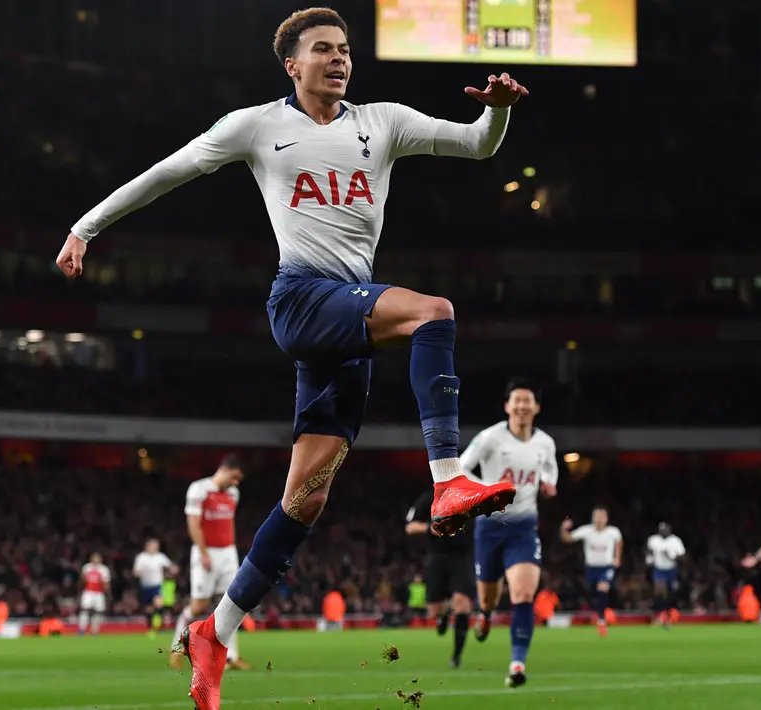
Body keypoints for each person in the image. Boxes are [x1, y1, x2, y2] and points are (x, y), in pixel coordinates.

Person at [54, 8, 526, 709]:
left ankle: (215, 631)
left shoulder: (383, 122)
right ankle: (448, 477)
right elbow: (167, 172)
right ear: (291, 65)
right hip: (303, 300)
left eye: (344, 50)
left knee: (305, 499)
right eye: (322, 50)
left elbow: (478, 147)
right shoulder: (256, 126)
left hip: (347, 319)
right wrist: (84, 228)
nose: (339, 60)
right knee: (435, 312)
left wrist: (496, 115)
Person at [461, 379, 557, 687]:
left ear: (537, 407)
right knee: (488, 595)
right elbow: (462, 466)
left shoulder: (545, 443)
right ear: (507, 406)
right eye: (517, 400)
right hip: (490, 526)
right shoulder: (490, 438)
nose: (522, 406)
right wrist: (485, 493)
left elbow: (550, 469)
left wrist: (547, 482)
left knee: (523, 593)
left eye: (528, 401)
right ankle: (486, 614)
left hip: (524, 527)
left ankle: (517, 664)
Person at [171, 455, 250, 671]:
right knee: (199, 604)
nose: (235, 483)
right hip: (206, 552)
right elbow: (194, 524)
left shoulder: (233, 494)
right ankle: (177, 649)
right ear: (225, 469)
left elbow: (229, 524)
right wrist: (204, 553)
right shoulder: (199, 489)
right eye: (234, 477)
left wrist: (231, 551)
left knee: (231, 605)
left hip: (227, 553)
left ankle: (231, 657)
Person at [406, 488, 475, 669]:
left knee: (462, 604)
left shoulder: (470, 494)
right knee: (434, 610)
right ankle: (443, 614)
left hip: (463, 557)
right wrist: (431, 528)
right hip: (437, 557)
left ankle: (456, 656)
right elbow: (410, 527)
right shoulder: (428, 498)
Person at [561, 508, 622, 637]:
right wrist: (563, 529)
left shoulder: (613, 532)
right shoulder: (586, 530)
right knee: (594, 593)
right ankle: (600, 614)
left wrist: (617, 558)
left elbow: (619, 542)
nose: (599, 520)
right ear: (593, 518)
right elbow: (567, 539)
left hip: (606, 567)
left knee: (602, 589)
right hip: (591, 568)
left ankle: (601, 620)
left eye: (602, 517)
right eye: (597, 517)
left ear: (606, 519)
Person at [133, 538, 176, 639]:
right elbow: (135, 571)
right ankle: (150, 627)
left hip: (157, 585)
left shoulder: (160, 557)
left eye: (156, 546)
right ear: (147, 546)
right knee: (148, 608)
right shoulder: (141, 557)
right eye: (153, 545)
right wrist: (138, 572)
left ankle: (157, 627)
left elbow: (170, 565)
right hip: (145, 585)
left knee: (159, 604)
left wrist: (173, 569)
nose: (155, 547)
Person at [645, 522, 686, 628]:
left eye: (665, 530)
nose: (663, 532)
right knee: (660, 592)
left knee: (672, 593)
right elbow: (649, 551)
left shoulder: (675, 541)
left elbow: (683, 557)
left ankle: (670, 614)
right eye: (661, 530)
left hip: (671, 570)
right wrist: (649, 559)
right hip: (659, 569)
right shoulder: (653, 540)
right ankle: (660, 615)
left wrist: (672, 556)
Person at [78, 552, 111, 637]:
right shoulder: (86, 567)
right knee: (85, 610)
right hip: (88, 592)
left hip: (99, 593)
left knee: (98, 612)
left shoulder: (104, 569)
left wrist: (107, 594)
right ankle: (81, 630)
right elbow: (82, 580)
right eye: (94, 558)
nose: (96, 560)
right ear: (91, 559)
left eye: (98, 558)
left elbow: (106, 583)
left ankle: (94, 631)